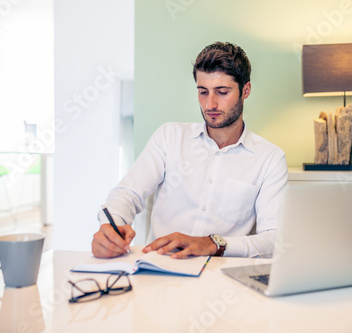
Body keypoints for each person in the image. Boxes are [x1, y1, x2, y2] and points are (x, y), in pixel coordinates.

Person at [92, 42, 288, 259]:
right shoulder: (169, 137)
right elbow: (128, 193)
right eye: (203, 92)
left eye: (222, 92)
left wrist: (213, 244)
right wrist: (111, 226)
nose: (210, 104)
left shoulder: (269, 159)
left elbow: (273, 239)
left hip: (221, 278)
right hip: (158, 271)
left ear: (246, 91)